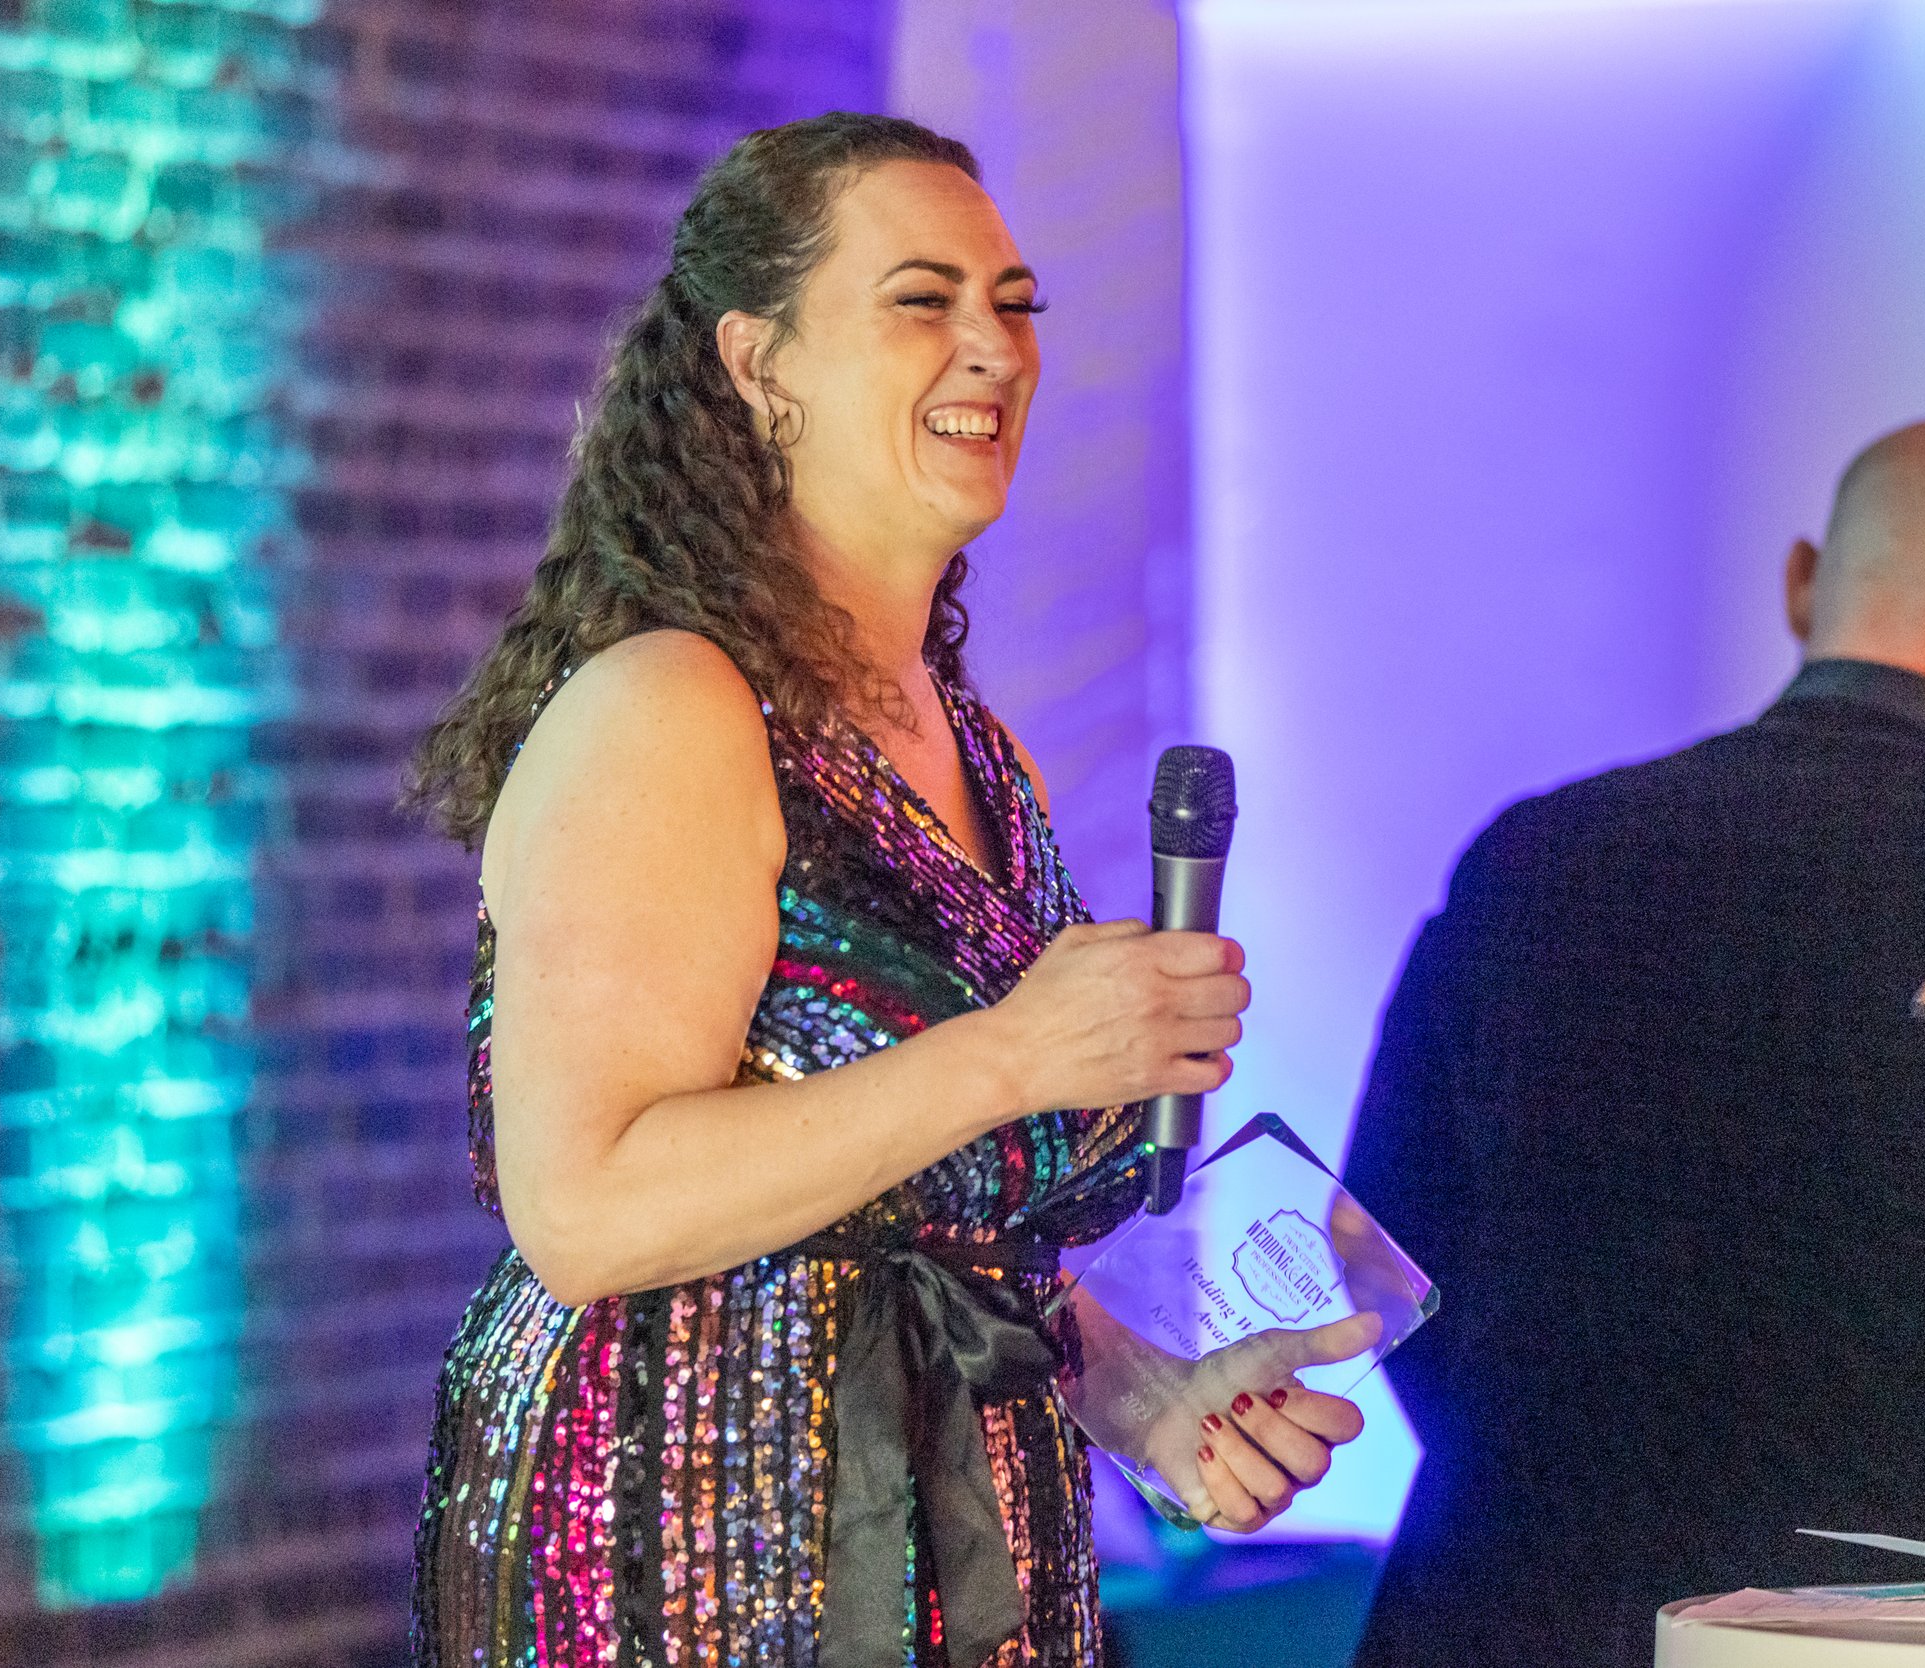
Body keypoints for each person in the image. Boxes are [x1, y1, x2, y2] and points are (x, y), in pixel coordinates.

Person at [403, 113, 1367, 1668]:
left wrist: (1149, 1403)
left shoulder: (985, 755)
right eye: (922, 301)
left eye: (1015, 303)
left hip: (954, 1530)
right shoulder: (671, 705)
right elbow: (580, 1207)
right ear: (758, 360)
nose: (992, 345)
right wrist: (1016, 1054)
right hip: (701, 1556)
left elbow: (945, 1230)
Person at [1344, 421, 1925, 1667]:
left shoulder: (1536, 857)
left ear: (1799, 580)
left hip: (1515, 1609)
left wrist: (1530, 1452)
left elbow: (1380, 1246)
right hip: (1903, 1629)